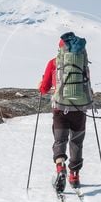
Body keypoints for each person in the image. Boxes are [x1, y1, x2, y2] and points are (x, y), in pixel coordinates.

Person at [38, 32, 94, 192]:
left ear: (60, 48)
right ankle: (74, 175)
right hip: (80, 108)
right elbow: (87, 84)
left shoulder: (54, 62)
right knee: (76, 141)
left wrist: (41, 85)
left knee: (59, 140)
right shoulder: (82, 63)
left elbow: (44, 88)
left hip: (60, 108)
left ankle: (60, 167)